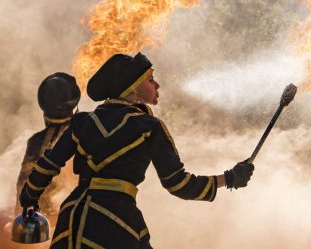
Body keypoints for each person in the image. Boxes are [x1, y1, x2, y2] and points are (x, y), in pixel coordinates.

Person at [19, 53, 254, 248]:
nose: (157, 84)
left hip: (70, 220)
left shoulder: (82, 121)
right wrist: (230, 178)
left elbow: (47, 165)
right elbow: (179, 185)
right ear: (132, 89)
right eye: (150, 79)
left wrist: (29, 198)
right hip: (114, 220)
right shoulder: (149, 126)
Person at [15, 72, 81, 217]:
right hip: (73, 219)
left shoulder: (35, 141)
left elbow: (22, 188)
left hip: (39, 223)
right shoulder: (83, 136)